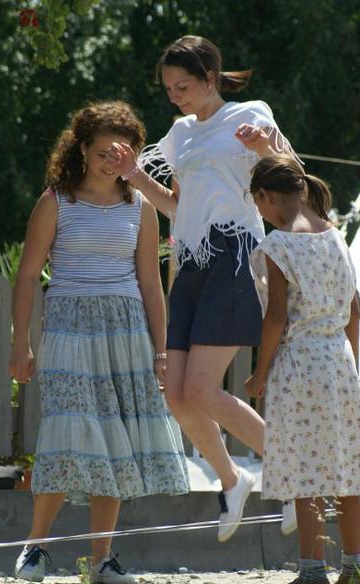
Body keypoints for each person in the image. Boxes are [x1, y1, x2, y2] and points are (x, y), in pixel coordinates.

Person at [105, 35, 297, 541]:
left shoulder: (249, 114)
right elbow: (176, 206)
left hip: (235, 254)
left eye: (183, 86)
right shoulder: (180, 133)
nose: (174, 95)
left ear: (211, 78)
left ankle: (292, 470)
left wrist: (266, 149)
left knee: (200, 389)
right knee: (177, 394)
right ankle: (233, 480)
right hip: (190, 262)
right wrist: (134, 174)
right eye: (168, 88)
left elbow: (294, 179)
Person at [9, 101, 190, 584]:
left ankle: (102, 558)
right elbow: (27, 276)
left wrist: (161, 352)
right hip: (68, 326)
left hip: (126, 331)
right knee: (65, 432)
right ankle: (35, 548)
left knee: (115, 439)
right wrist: (21, 343)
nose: (113, 160)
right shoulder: (56, 201)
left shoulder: (142, 207)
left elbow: (151, 284)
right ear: (82, 148)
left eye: (123, 151)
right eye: (104, 150)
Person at [244, 156, 360, 584]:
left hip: (299, 363)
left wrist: (259, 373)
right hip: (338, 360)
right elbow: (353, 310)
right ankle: (355, 570)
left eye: (258, 203)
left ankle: (312, 573)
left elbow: (276, 317)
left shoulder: (279, 245)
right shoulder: (336, 237)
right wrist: (351, 364)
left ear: (266, 196)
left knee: (307, 471)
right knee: (346, 466)